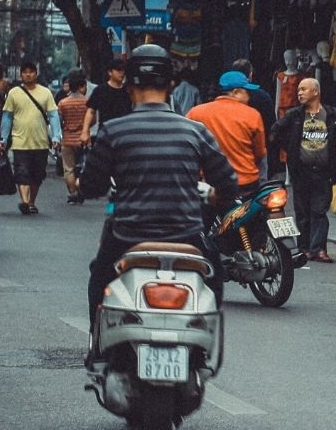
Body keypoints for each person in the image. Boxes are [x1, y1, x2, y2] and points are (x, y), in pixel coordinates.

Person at [79, 45, 236, 335]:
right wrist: (215, 197)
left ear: (129, 87)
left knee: (99, 277)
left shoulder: (113, 131)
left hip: (127, 237)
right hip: (187, 236)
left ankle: (97, 346)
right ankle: (204, 352)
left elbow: (91, 186)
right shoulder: (195, 131)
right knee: (215, 276)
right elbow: (228, 183)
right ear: (171, 86)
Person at [270, 77, 336, 263]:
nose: (299, 93)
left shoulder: (333, 116)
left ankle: (319, 249)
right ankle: (304, 248)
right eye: (299, 89)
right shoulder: (294, 115)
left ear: (316, 92)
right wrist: (289, 149)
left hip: (324, 172)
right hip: (301, 171)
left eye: (304, 89)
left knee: (319, 211)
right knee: (302, 212)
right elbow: (275, 132)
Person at [189, 71, 268, 199]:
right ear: (235, 92)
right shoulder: (252, 115)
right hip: (246, 184)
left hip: (212, 186)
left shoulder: (196, 113)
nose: (249, 97)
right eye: (247, 92)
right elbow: (259, 153)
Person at [0, 60, 61, 215]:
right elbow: (7, 117)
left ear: (36, 74)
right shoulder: (14, 93)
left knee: (37, 175)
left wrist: (56, 137)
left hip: (40, 142)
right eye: (25, 72)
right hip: (20, 141)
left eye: (31, 71)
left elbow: (53, 116)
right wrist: (3, 139)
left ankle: (31, 201)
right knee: (22, 172)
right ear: (21, 75)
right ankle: (25, 201)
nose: (28, 74)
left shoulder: (45, 93)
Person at [57, 72, 91, 204]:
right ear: (82, 86)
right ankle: (80, 189)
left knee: (69, 168)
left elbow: (60, 122)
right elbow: (93, 120)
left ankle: (73, 192)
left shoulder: (63, 103)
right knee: (83, 166)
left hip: (68, 139)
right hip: (84, 139)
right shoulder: (88, 102)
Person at [82, 56, 132, 144]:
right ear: (110, 72)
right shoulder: (100, 90)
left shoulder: (128, 91)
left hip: (124, 134)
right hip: (105, 134)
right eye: (118, 70)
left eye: (123, 70)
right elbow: (91, 111)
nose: (121, 73)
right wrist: (85, 131)